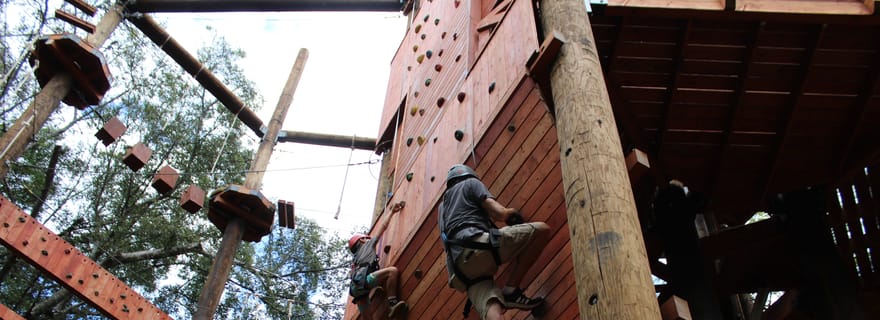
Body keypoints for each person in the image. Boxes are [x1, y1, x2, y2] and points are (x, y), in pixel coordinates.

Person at [438, 164, 551, 320]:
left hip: (460, 272)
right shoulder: (470, 183)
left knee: (492, 311)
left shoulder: (442, 208)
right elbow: (500, 213)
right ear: (469, 175)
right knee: (542, 231)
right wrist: (512, 214)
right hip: (477, 246)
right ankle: (511, 290)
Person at [348, 210, 408, 319]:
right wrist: (392, 212)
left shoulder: (355, 260)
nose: (368, 239)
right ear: (361, 240)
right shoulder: (367, 245)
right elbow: (383, 227)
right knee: (392, 272)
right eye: (366, 238)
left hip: (356, 289)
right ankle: (392, 304)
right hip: (365, 281)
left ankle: (376, 288)